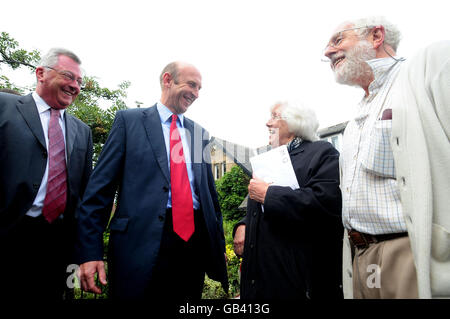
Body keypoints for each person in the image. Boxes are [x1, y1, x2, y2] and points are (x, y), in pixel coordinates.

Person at [76, 61, 228, 300]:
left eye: (199, 88)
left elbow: (209, 195)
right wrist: (88, 252)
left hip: (192, 245)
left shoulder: (200, 134)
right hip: (139, 244)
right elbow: (99, 192)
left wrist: (217, 243)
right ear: (167, 80)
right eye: (191, 85)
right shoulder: (129, 122)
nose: (196, 94)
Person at [323, 16, 450, 299]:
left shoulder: (428, 70)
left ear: (376, 36)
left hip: (409, 253)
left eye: (337, 40)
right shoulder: (356, 116)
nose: (327, 52)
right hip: (360, 257)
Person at [0, 48, 93, 299]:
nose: (75, 86)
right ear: (40, 73)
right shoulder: (4, 106)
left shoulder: (82, 131)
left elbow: (84, 193)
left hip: (59, 244)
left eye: (79, 81)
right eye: (68, 76)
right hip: (9, 236)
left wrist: (84, 251)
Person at [233, 102, 343, 299]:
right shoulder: (267, 160)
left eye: (275, 116)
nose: (268, 123)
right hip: (259, 284)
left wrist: (269, 194)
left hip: (297, 285)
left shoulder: (322, 153)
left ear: (294, 123)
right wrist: (243, 225)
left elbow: (326, 204)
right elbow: (261, 210)